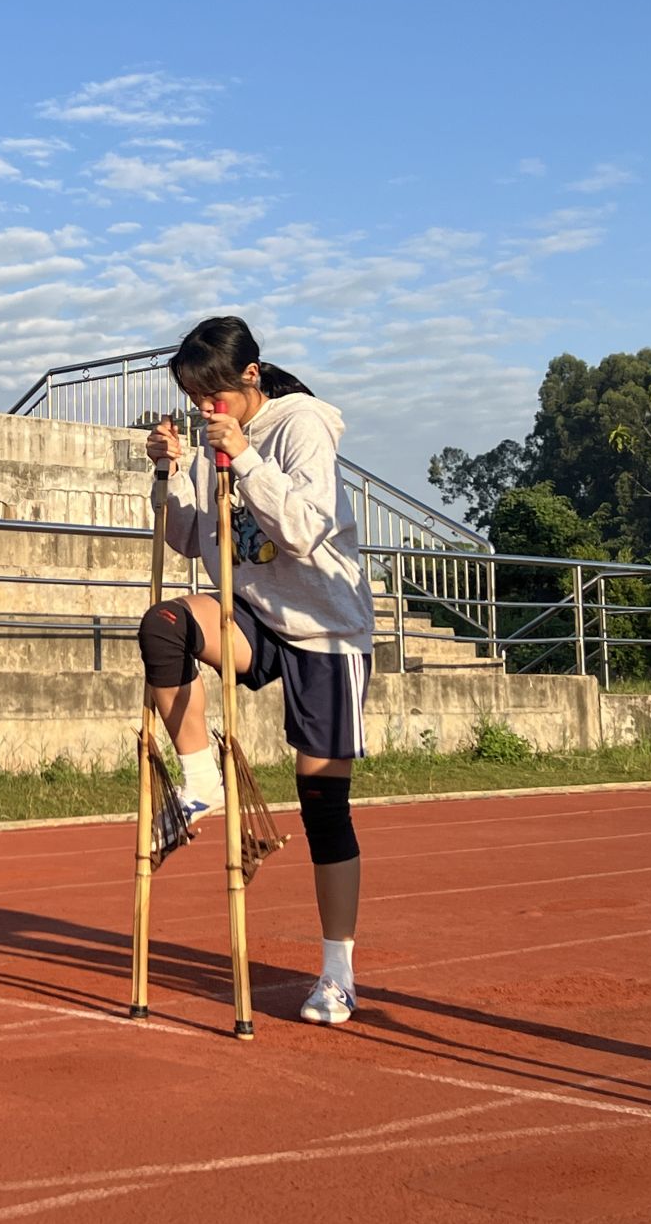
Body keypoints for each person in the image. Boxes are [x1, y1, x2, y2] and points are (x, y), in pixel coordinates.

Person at [138, 316, 377, 1025]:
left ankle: (338, 971)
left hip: (324, 628)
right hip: (251, 614)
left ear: (250, 378)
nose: (205, 407)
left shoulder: (300, 425)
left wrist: (243, 457)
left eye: (214, 393)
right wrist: (169, 470)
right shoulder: (213, 434)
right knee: (166, 625)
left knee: (322, 803)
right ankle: (200, 775)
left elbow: (303, 529)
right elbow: (183, 535)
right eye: (192, 397)